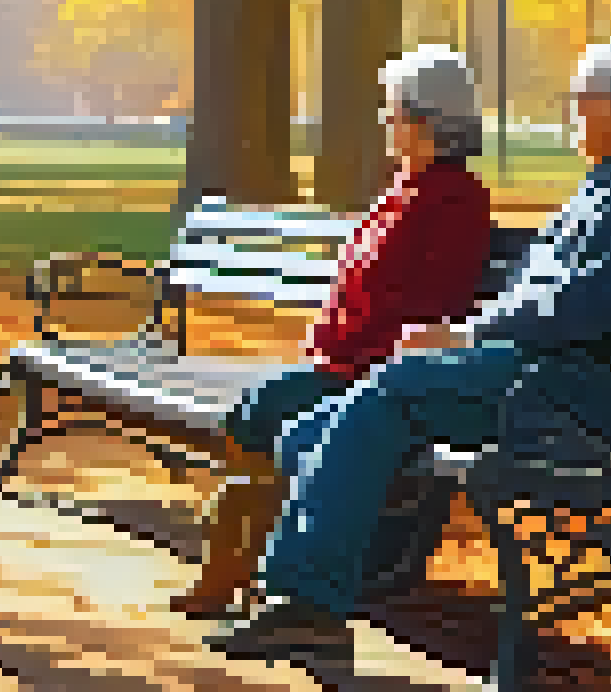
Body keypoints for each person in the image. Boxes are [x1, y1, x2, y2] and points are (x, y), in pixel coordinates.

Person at [206, 38, 611, 659]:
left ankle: (307, 600)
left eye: (581, 101)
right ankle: (347, 571)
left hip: (561, 393)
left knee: (382, 399)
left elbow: (583, 307)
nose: (572, 113)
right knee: (307, 430)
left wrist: (465, 333)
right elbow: (557, 299)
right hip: (530, 372)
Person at [169, 44, 493, 619]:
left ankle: (243, 570)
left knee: (271, 411)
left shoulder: (455, 199)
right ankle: (238, 566)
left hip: (372, 376)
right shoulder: (402, 189)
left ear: (425, 122)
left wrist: (359, 363)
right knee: (257, 410)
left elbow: (435, 308)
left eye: (392, 113)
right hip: (338, 364)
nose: (385, 124)